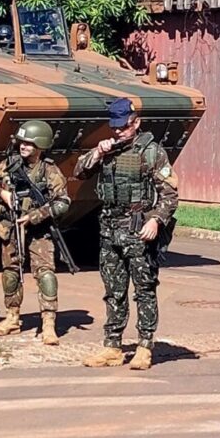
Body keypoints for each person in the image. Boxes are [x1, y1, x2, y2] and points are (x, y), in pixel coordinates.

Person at [73, 98, 178, 370]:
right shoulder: (108, 150)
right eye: (114, 127)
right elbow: (79, 171)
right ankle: (113, 346)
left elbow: (170, 194)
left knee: (144, 289)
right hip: (109, 229)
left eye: (123, 126)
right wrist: (97, 153)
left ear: (136, 123)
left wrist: (156, 219)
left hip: (137, 229)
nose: (118, 132)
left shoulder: (152, 152)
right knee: (113, 291)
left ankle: (144, 345)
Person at [0, 120, 71, 345]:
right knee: (11, 274)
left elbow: (63, 202)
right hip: (11, 228)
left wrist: (35, 216)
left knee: (46, 275)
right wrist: (2, 194)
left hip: (38, 231)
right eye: (22, 142)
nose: (24, 147)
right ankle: (12, 317)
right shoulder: (8, 165)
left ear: (40, 146)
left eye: (29, 143)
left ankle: (49, 324)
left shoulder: (49, 170)